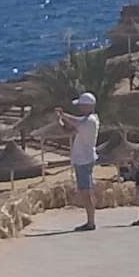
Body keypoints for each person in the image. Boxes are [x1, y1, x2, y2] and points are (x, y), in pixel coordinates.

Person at [53, 92, 102, 231]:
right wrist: (60, 120)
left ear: (88, 106)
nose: (79, 108)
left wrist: (63, 115)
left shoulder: (90, 121)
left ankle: (91, 222)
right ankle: (90, 221)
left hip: (84, 160)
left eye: (81, 105)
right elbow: (68, 130)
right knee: (85, 191)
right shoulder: (86, 121)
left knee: (86, 192)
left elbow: (75, 122)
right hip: (83, 159)